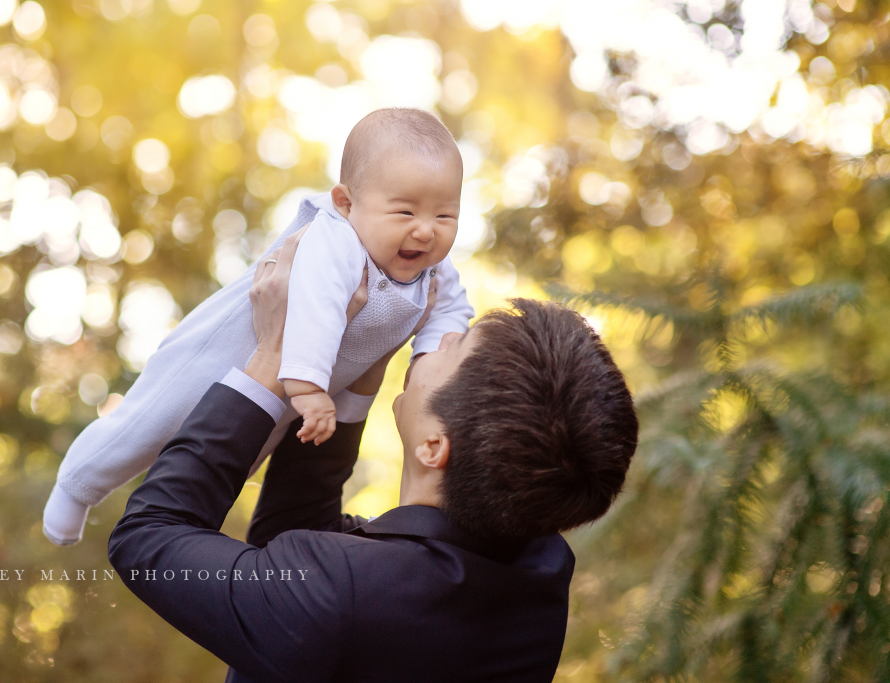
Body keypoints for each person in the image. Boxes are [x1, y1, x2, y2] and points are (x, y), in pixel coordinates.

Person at [107, 229, 639, 682]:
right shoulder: (540, 573)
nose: (439, 341)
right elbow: (294, 545)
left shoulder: (341, 597)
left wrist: (271, 355)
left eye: (454, 348)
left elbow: (148, 535)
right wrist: (355, 373)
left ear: (435, 446)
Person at [43, 107, 474, 546]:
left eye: (445, 216)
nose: (425, 232)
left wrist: (428, 359)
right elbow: (316, 309)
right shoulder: (336, 241)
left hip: (297, 390)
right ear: (346, 203)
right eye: (405, 212)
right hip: (228, 358)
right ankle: (78, 484)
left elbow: (451, 316)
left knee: (239, 457)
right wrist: (308, 389)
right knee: (150, 422)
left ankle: (179, 523)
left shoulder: (434, 272)